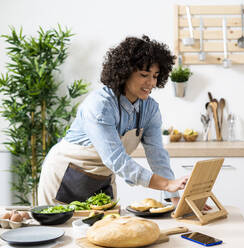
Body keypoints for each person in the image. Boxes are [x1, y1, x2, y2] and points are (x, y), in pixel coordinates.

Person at [38, 35, 188, 206]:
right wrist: (167, 184)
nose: (151, 82)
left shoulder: (150, 109)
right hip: (64, 177)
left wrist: (176, 198)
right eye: (144, 74)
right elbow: (116, 159)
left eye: (155, 76)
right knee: (64, 231)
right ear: (125, 72)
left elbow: (157, 154)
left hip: (102, 179)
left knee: (107, 230)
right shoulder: (100, 105)